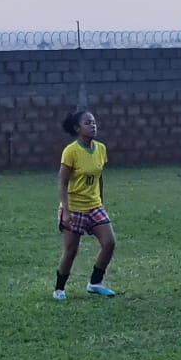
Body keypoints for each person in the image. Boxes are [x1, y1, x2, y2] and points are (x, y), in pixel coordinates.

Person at [54, 109, 117, 301]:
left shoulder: (101, 149)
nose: (93, 125)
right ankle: (59, 289)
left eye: (94, 122)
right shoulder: (71, 151)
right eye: (88, 123)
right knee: (71, 250)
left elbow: (99, 177)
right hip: (74, 207)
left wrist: (101, 201)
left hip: (94, 205)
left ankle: (95, 283)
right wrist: (65, 210)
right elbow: (62, 182)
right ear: (77, 128)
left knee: (109, 243)